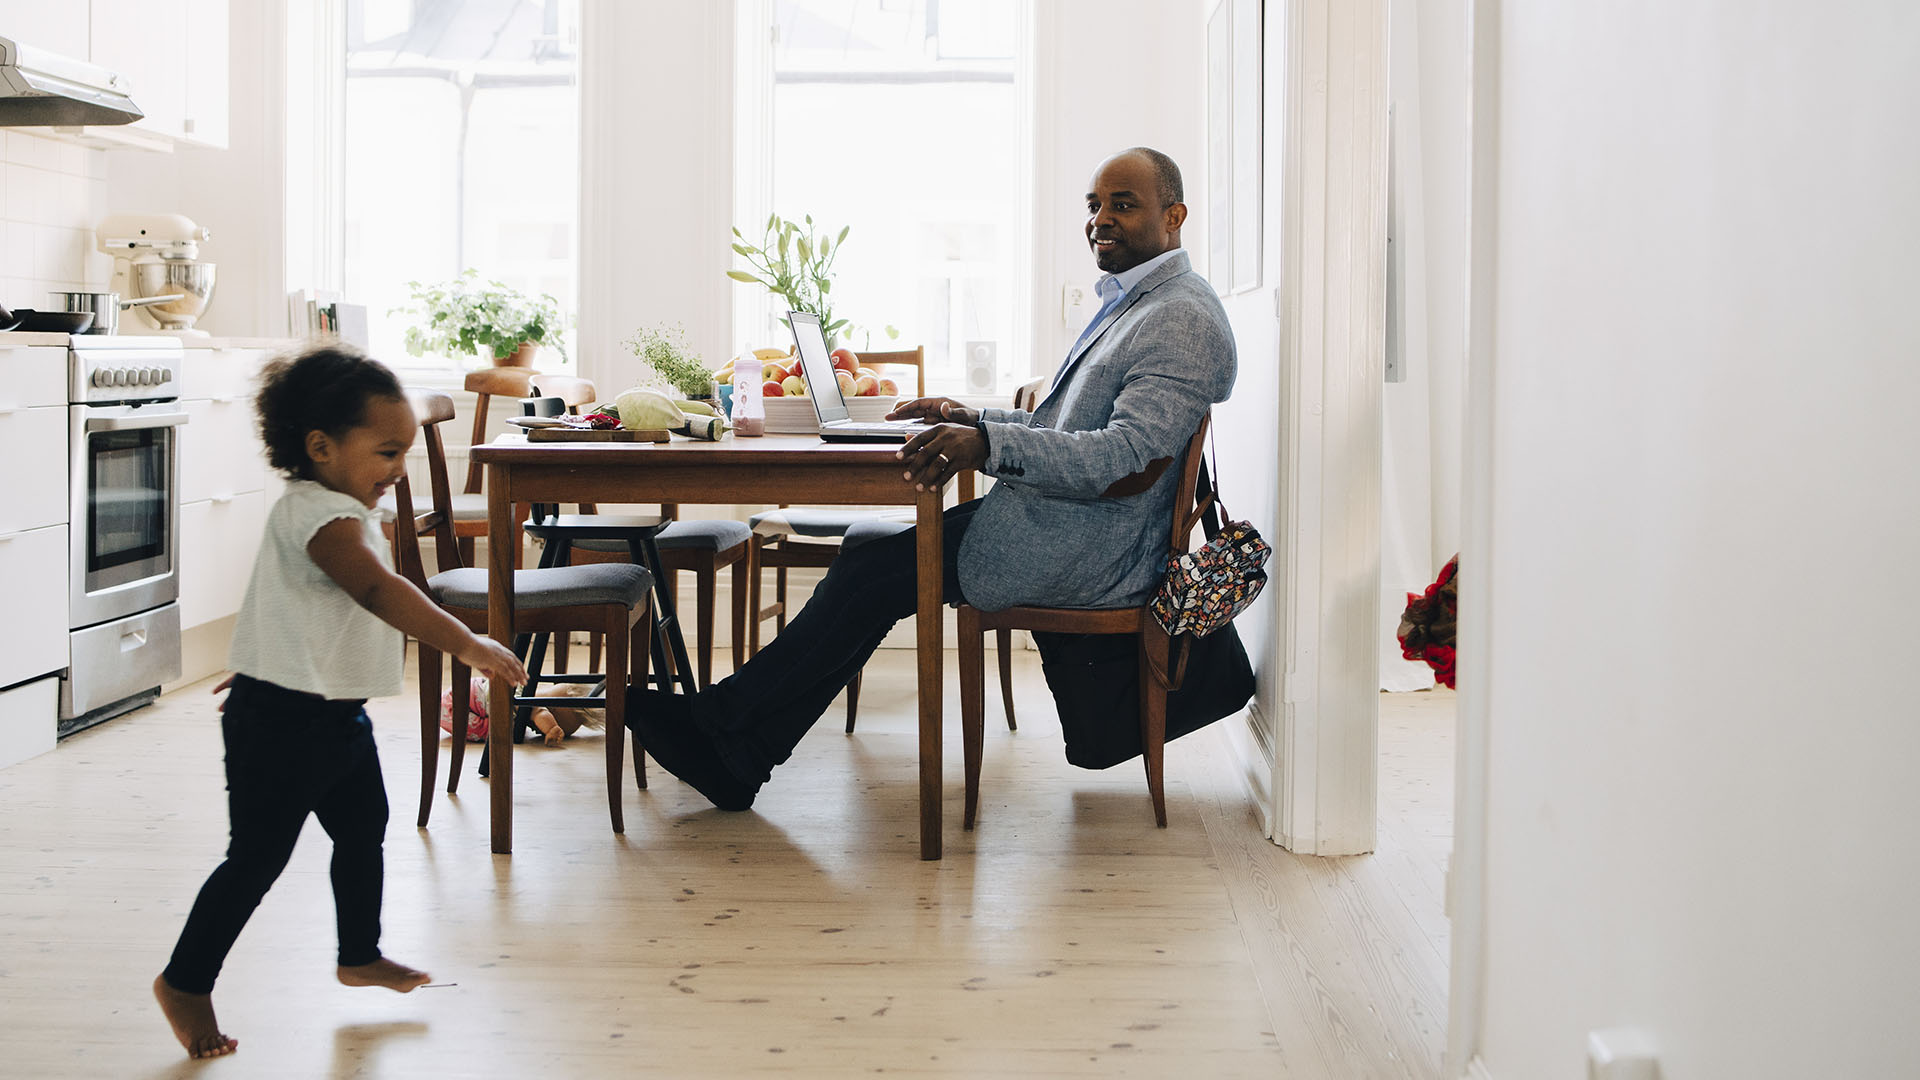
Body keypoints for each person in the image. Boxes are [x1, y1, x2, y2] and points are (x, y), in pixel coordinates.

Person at [628, 146, 1237, 811]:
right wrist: (969, 415)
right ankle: (736, 750)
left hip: (1089, 544)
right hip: (1061, 516)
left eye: (1123, 204)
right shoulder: (1143, 301)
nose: (1100, 219)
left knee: (871, 572)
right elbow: (1074, 428)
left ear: (1173, 217)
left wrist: (985, 444)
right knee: (870, 558)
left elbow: (1116, 460)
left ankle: (725, 737)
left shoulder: (1180, 317)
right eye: (1094, 205)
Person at [153, 346, 527, 1059]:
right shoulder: (323, 518)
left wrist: (258, 660)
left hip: (330, 713)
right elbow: (381, 594)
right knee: (257, 859)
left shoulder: (331, 508)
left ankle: (358, 953)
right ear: (320, 447)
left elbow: (284, 603)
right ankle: (185, 981)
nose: (398, 469)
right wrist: (470, 645)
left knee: (363, 829)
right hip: (283, 723)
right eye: (387, 452)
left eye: (405, 452)